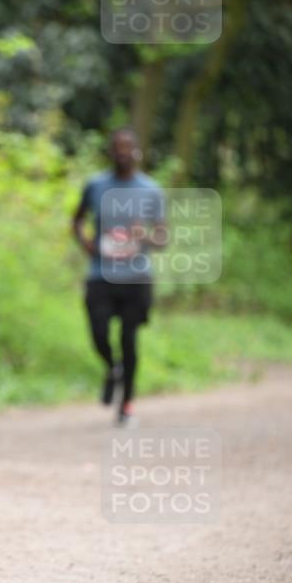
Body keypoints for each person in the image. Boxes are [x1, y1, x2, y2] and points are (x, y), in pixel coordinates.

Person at [73, 128, 166, 426]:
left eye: (128, 147)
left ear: (137, 151)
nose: (122, 152)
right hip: (100, 273)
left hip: (136, 277)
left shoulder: (151, 190)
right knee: (99, 332)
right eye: (117, 148)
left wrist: (146, 237)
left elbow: (163, 237)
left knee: (129, 339)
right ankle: (112, 368)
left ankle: (126, 405)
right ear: (111, 152)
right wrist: (85, 242)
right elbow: (77, 219)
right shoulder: (96, 185)